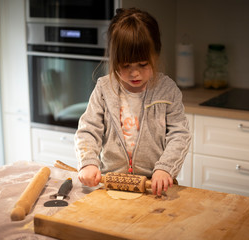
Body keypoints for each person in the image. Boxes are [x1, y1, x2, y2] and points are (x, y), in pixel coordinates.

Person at [74, 8, 191, 196]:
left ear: (156, 56)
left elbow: (180, 135)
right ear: (114, 60)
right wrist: (88, 163)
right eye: (125, 65)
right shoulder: (104, 89)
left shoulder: (167, 90)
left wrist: (165, 169)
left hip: (155, 184)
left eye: (143, 65)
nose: (134, 73)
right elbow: (88, 129)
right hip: (111, 183)